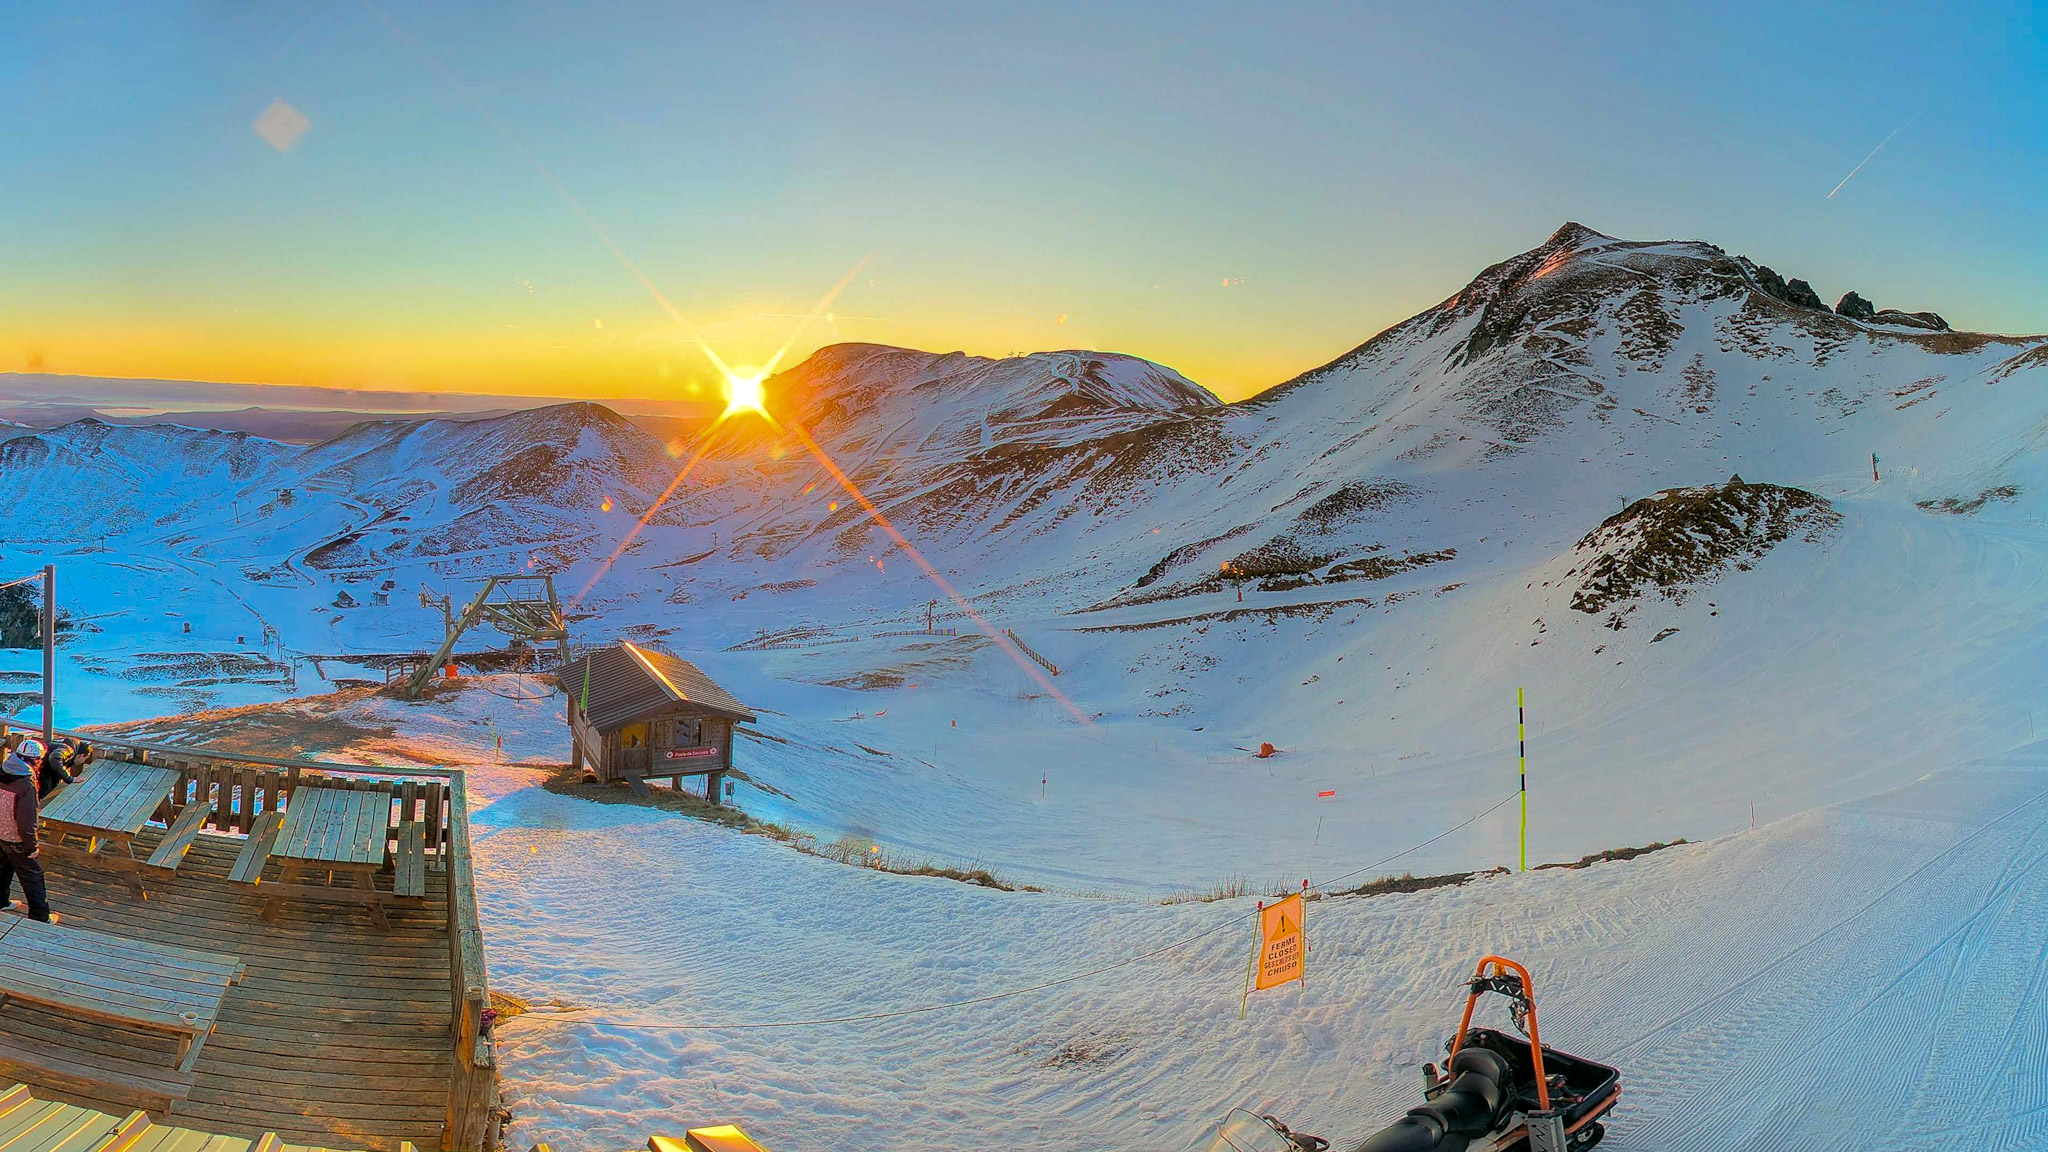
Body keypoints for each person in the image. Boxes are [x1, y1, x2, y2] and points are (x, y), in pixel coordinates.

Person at [0, 738, 52, 922]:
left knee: (3, 868)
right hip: (15, 838)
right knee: (32, 877)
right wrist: (32, 846)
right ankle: (40, 917)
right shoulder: (26, 785)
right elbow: (26, 822)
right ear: (35, 760)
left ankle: (1, 902)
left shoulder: (2, 770)